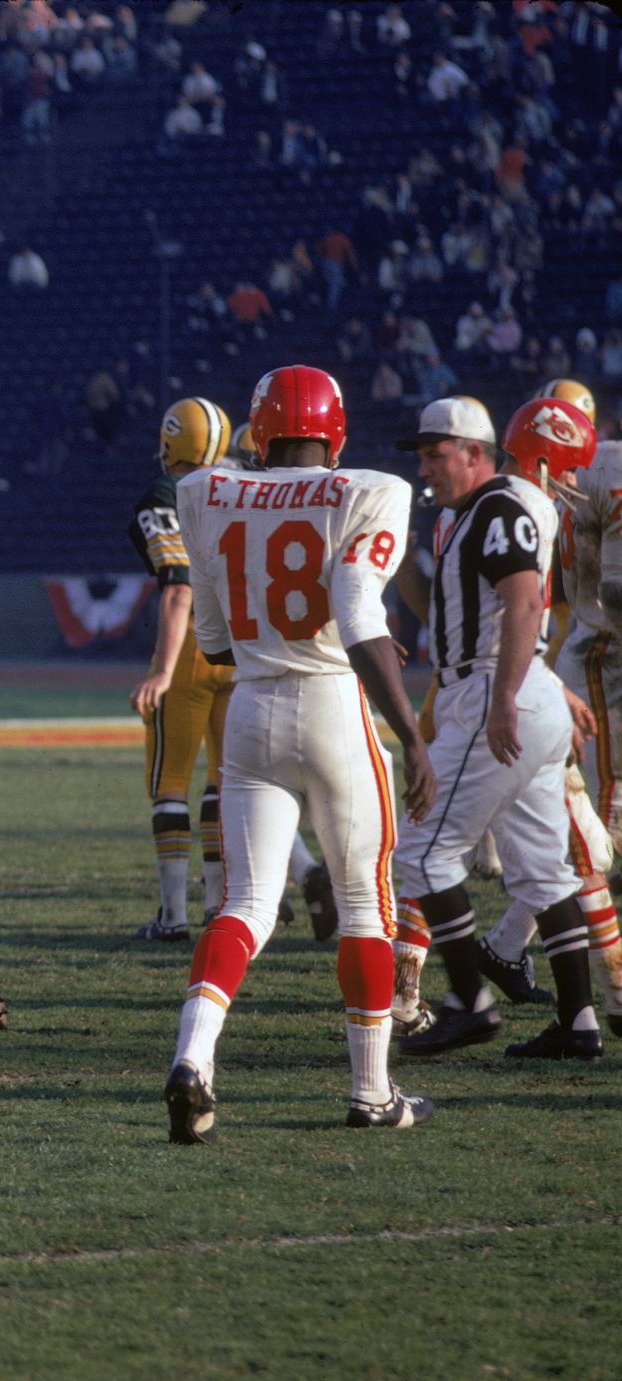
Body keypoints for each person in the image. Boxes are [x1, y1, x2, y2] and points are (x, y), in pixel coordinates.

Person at [166, 365, 436, 1142]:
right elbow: (356, 611)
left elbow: (213, 640)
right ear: (336, 431)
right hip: (331, 708)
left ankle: (193, 1060)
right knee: (363, 903)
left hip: (250, 709)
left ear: (257, 431)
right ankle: (372, 1090)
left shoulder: (208, 492)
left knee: (244, 904)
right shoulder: (370, 488)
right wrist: (410, 734)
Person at [393, 397, 603, 1061]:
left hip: (491, 690)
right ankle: (578, 1023)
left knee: (421, 853)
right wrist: (540, 685)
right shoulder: (483, 509)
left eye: (438, 453)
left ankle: (470, 1004)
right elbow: (497, 609)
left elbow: (523, 600)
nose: (428, 467)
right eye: (423, 454)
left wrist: (511, 692)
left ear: (479, 452)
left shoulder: (501, 504)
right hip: (509, 686)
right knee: (545, 874)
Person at [127, 399, 334, 943]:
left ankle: (173, 918)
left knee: (170, 783)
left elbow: (177, 587)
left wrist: (162, 669)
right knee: (225, 782)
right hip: (243, 647)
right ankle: (223, 906)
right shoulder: (240, 485)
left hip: (196, 642)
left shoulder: (169, 494)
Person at [492, 393, 622, 1034]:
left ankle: (509, 957)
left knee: (574, 844)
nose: (573, 481)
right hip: (526, 688)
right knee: (585, 839)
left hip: (539, 679)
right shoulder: (522, 507)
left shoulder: (522, 504)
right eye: (566, 467)